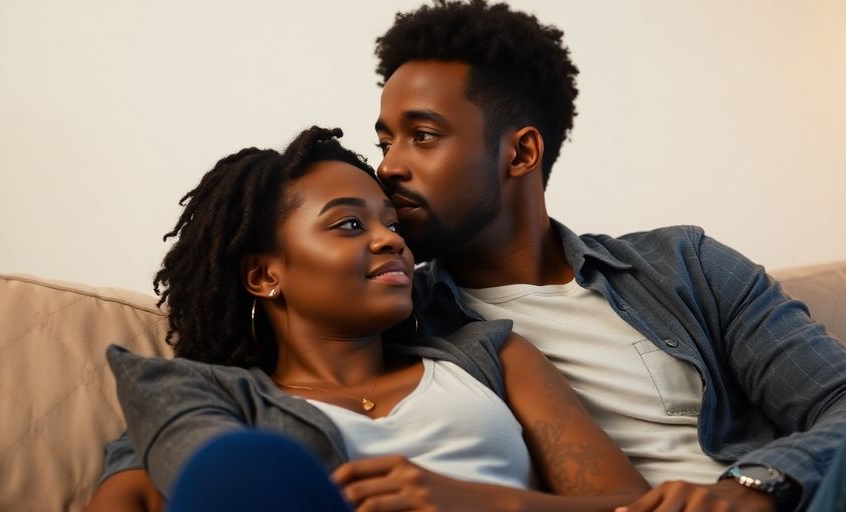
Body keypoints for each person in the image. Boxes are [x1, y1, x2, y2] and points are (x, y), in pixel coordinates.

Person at [93, 1, 846, 511]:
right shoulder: (408, 318)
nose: (391, 167)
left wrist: (756, 486)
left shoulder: (682, 267)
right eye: (384, 139)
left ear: (520, 153)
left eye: (421, 137)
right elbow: (211, 418)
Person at [86, 126, 649, 511]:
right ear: (263, 275)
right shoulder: (202, 401)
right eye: (350, 225)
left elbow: (631, 506)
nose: (391, 241)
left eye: (393, 225)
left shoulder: (490, 357)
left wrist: (479, 502)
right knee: (244, 461)